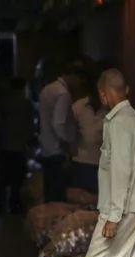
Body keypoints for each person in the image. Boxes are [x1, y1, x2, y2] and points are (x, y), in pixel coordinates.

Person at [82, 69, 135, 257]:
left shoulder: (119, 122)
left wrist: (113, 215)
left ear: (103, 95)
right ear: (127, 90)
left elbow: (122, 171)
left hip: (124, 207)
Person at [38, 63, 76, 202]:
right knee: (58, 193)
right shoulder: (63, 93)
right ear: (70, 75)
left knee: (49, 192)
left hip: (46, 147)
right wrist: (66, 143)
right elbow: (58, 122)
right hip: (57, 150)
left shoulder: (46, 89)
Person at [0, 77, 33, 214]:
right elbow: (30, 125)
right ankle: (14, 205)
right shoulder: (25, 104)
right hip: (19, 145)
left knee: (3, 178)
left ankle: (1, 204)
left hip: (5, 144)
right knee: (17, 179)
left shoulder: (5, 103)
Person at [70, 78, 105, 196]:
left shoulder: (111, 110)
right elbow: (68, 130)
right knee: (80, 200)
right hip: (81, 161)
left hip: (102, 163)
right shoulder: (78, 107)